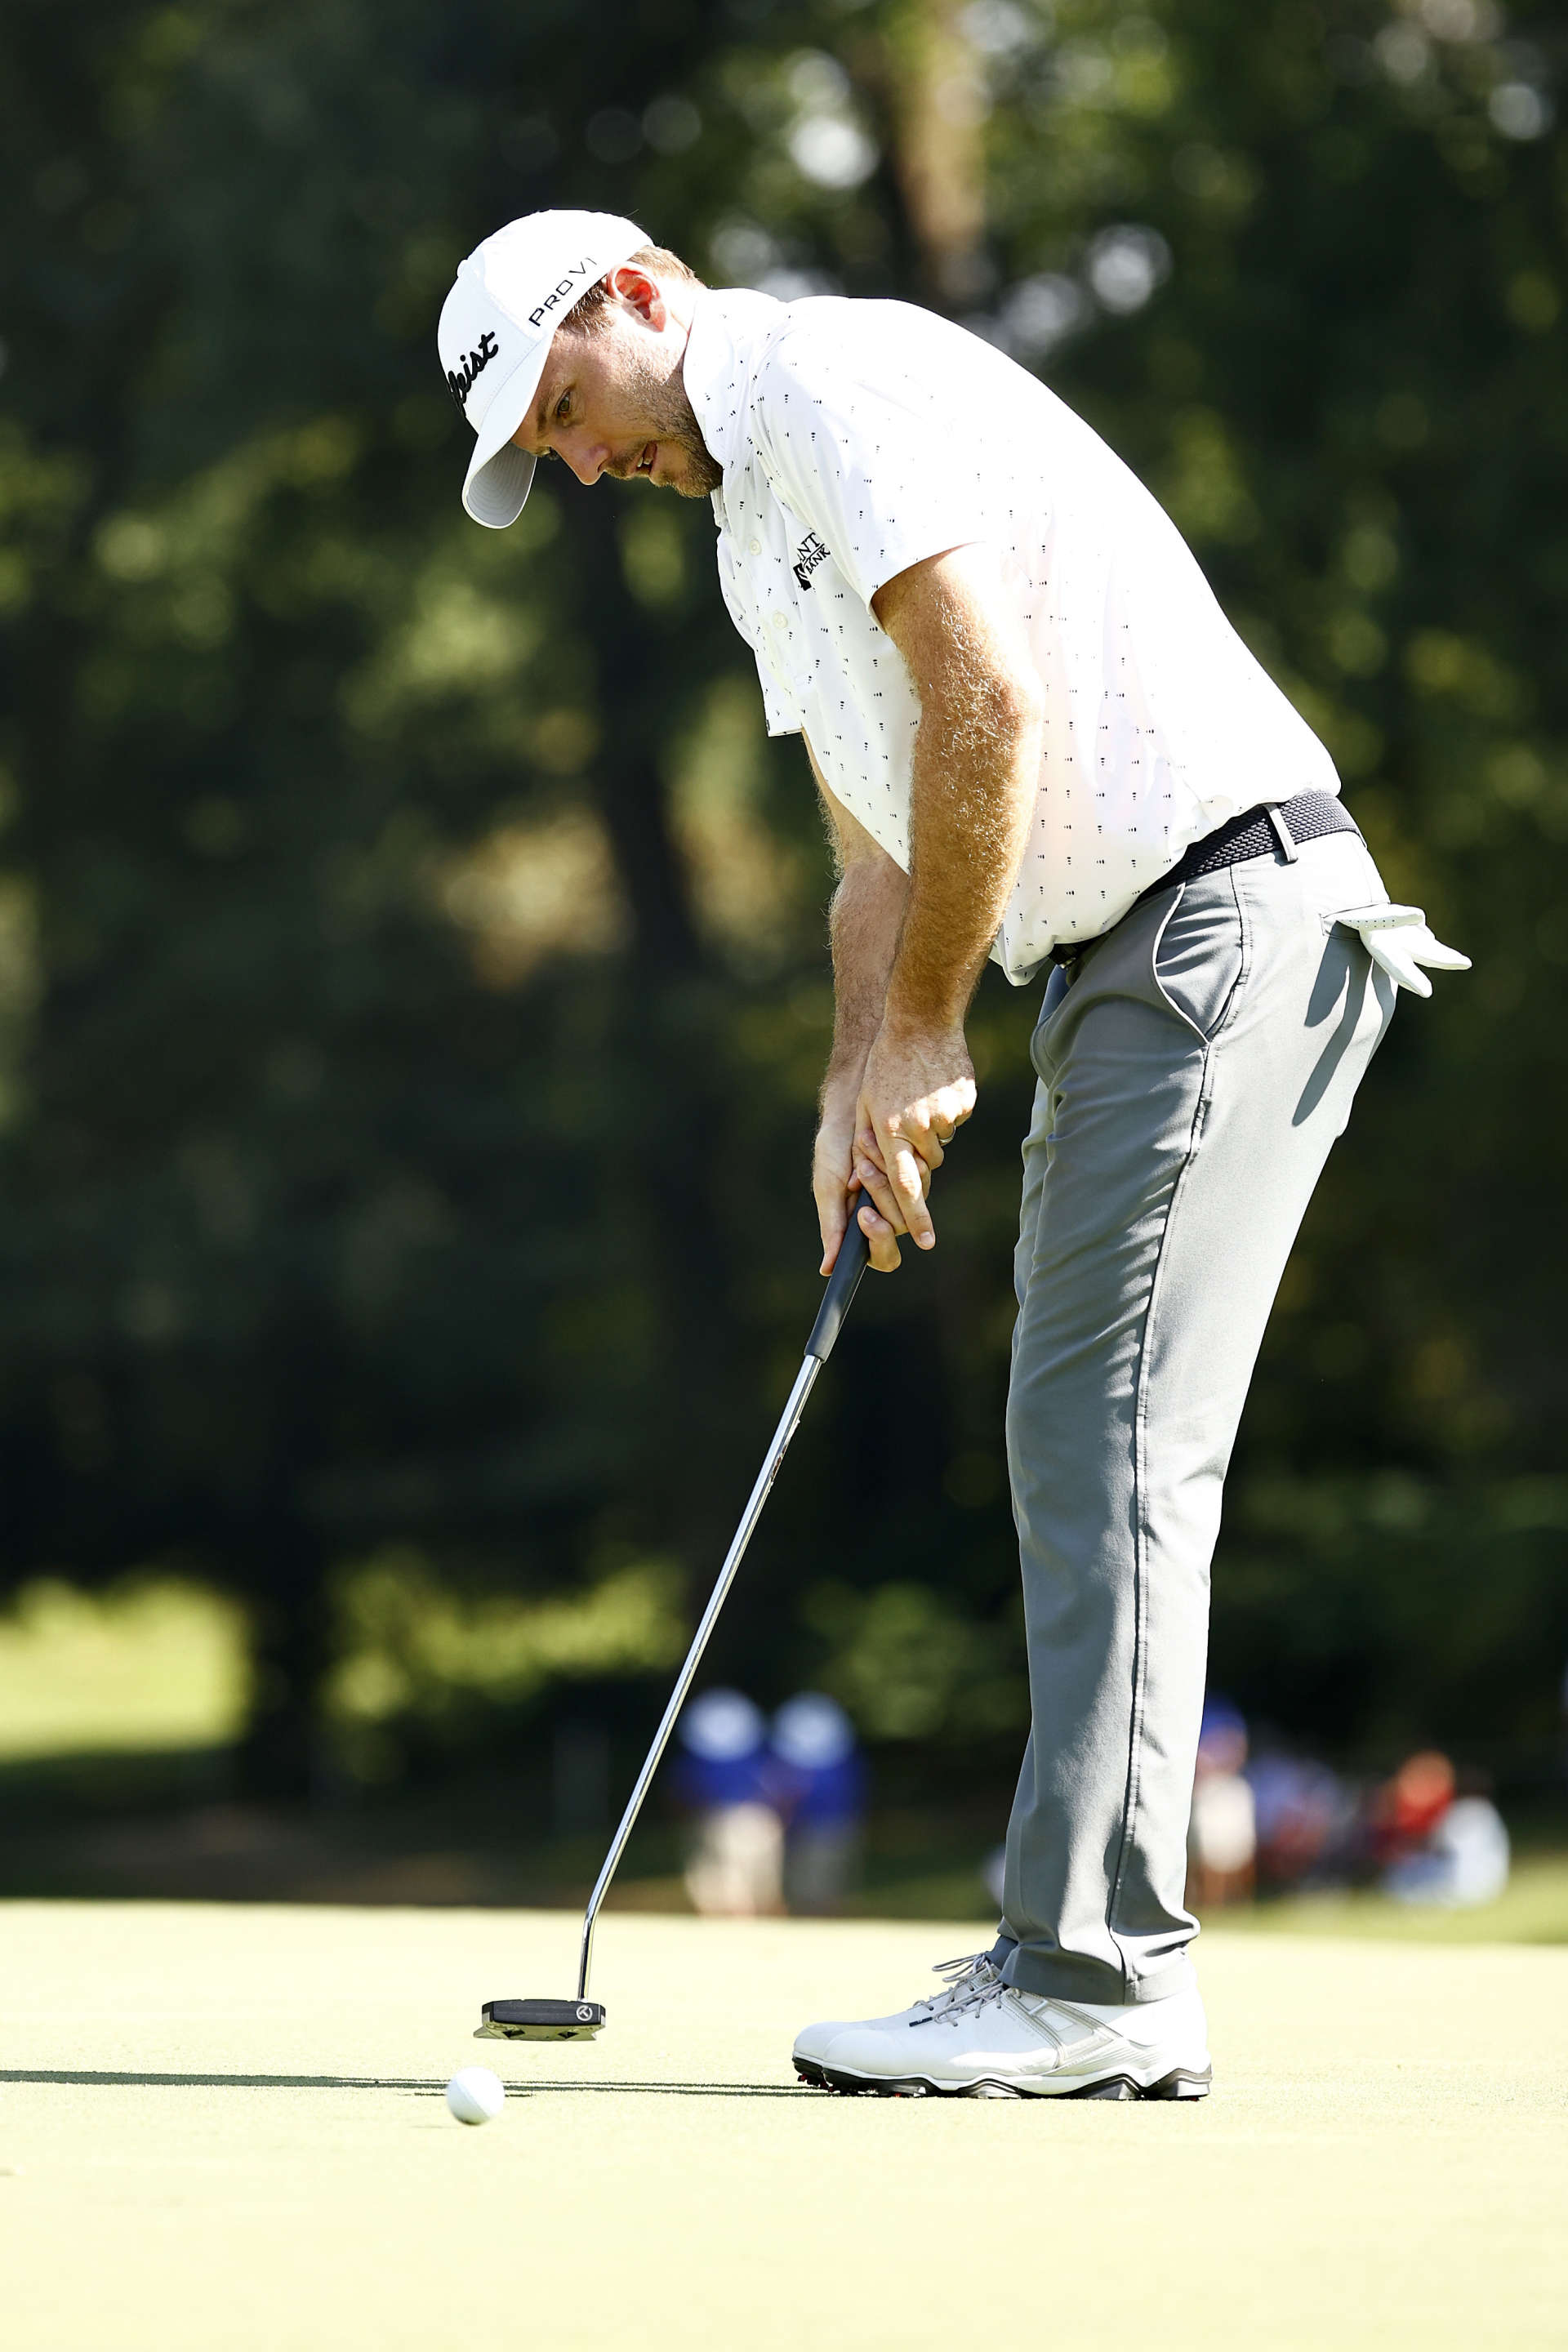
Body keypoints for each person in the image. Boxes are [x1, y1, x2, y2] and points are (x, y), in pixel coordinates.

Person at [437, 209, 1470, 2100]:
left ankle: (1093, 1976)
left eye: (568, 405)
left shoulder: (833, 375)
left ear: (639, 295)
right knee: (1082, 1424)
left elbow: (987, 698)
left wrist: (932, 1030)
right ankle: (1075, 1952)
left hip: (1217, 913)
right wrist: (858, 1076)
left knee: (1106, 1435)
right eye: (547, 449)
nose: (581, 460)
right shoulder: (753, 525)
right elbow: (874, 852)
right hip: (1124, 962)